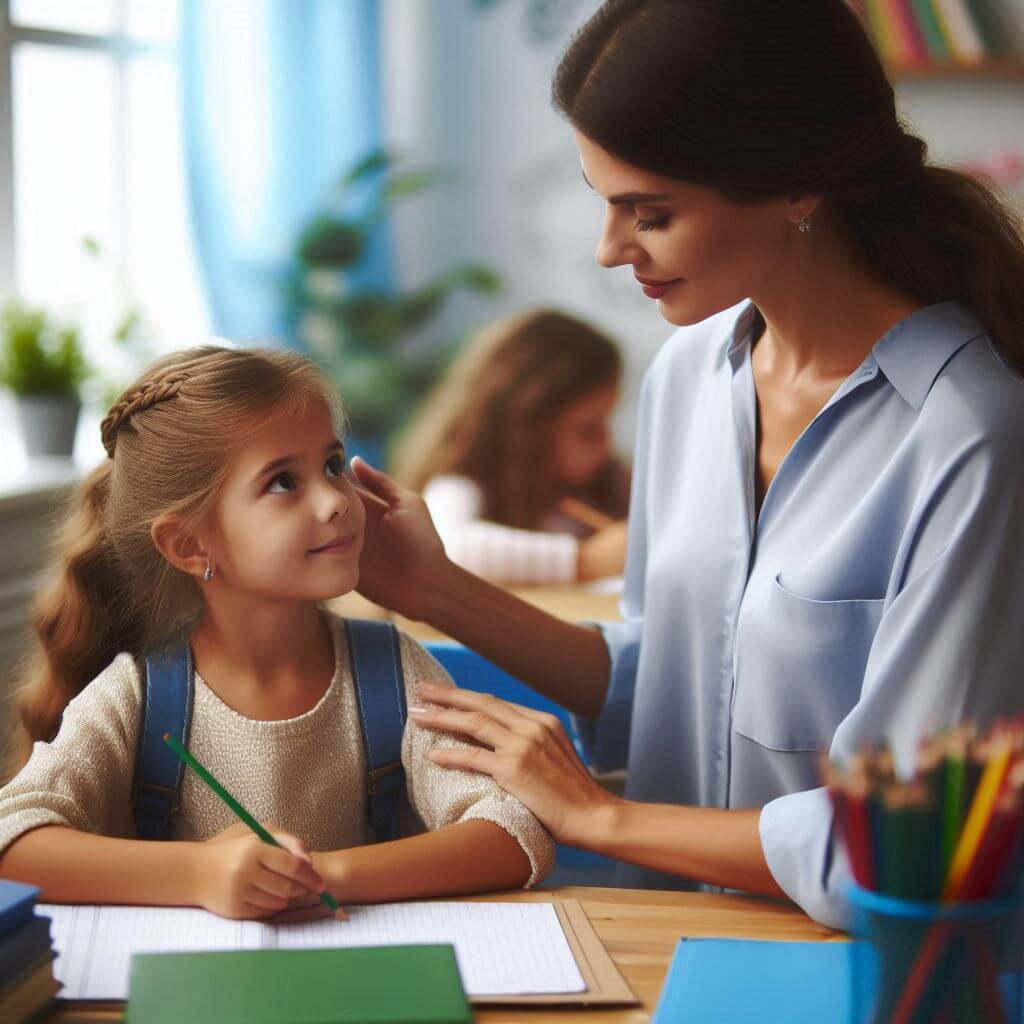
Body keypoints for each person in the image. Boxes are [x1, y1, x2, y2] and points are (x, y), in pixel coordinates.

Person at [347, 0, 1024, 930]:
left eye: (650, 214)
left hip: (848, 967)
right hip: (666, 936)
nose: (609, 249)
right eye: (606, 203)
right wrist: (437, 589)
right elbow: (669, 684)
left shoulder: (973, 433)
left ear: (797, 184)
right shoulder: (689, 376)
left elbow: (910, 843)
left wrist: (595, 814)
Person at [0, 346, 553, 920]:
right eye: (284, 481)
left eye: (333, 464)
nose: (336, 500)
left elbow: (513, 831)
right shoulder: (138, 695)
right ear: (191, 546)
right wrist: (199, 874)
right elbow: (11, 840)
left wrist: (321, 875)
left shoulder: (393, 673)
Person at [391, 308, 630, 586]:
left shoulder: (607, 486)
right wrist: (588, 561)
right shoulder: (463, 483)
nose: (606, 444)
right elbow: (446, 545)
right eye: (589, 430)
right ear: (528, 427)